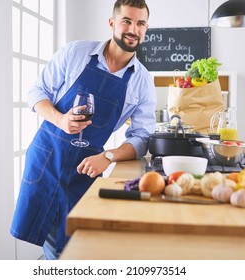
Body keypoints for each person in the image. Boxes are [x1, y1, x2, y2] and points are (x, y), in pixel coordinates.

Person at [10, 0, 156, 260]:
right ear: (112, 23)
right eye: (126, 21)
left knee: (75, 241)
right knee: (51, 241)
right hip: (47, 158)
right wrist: (59, 119)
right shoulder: (76, 52)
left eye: (140, 23)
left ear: (146, 29)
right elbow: (35, 92)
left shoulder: (143, 81)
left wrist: (108, 157)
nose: (133, 29)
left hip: (86, 167)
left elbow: (143, 137)